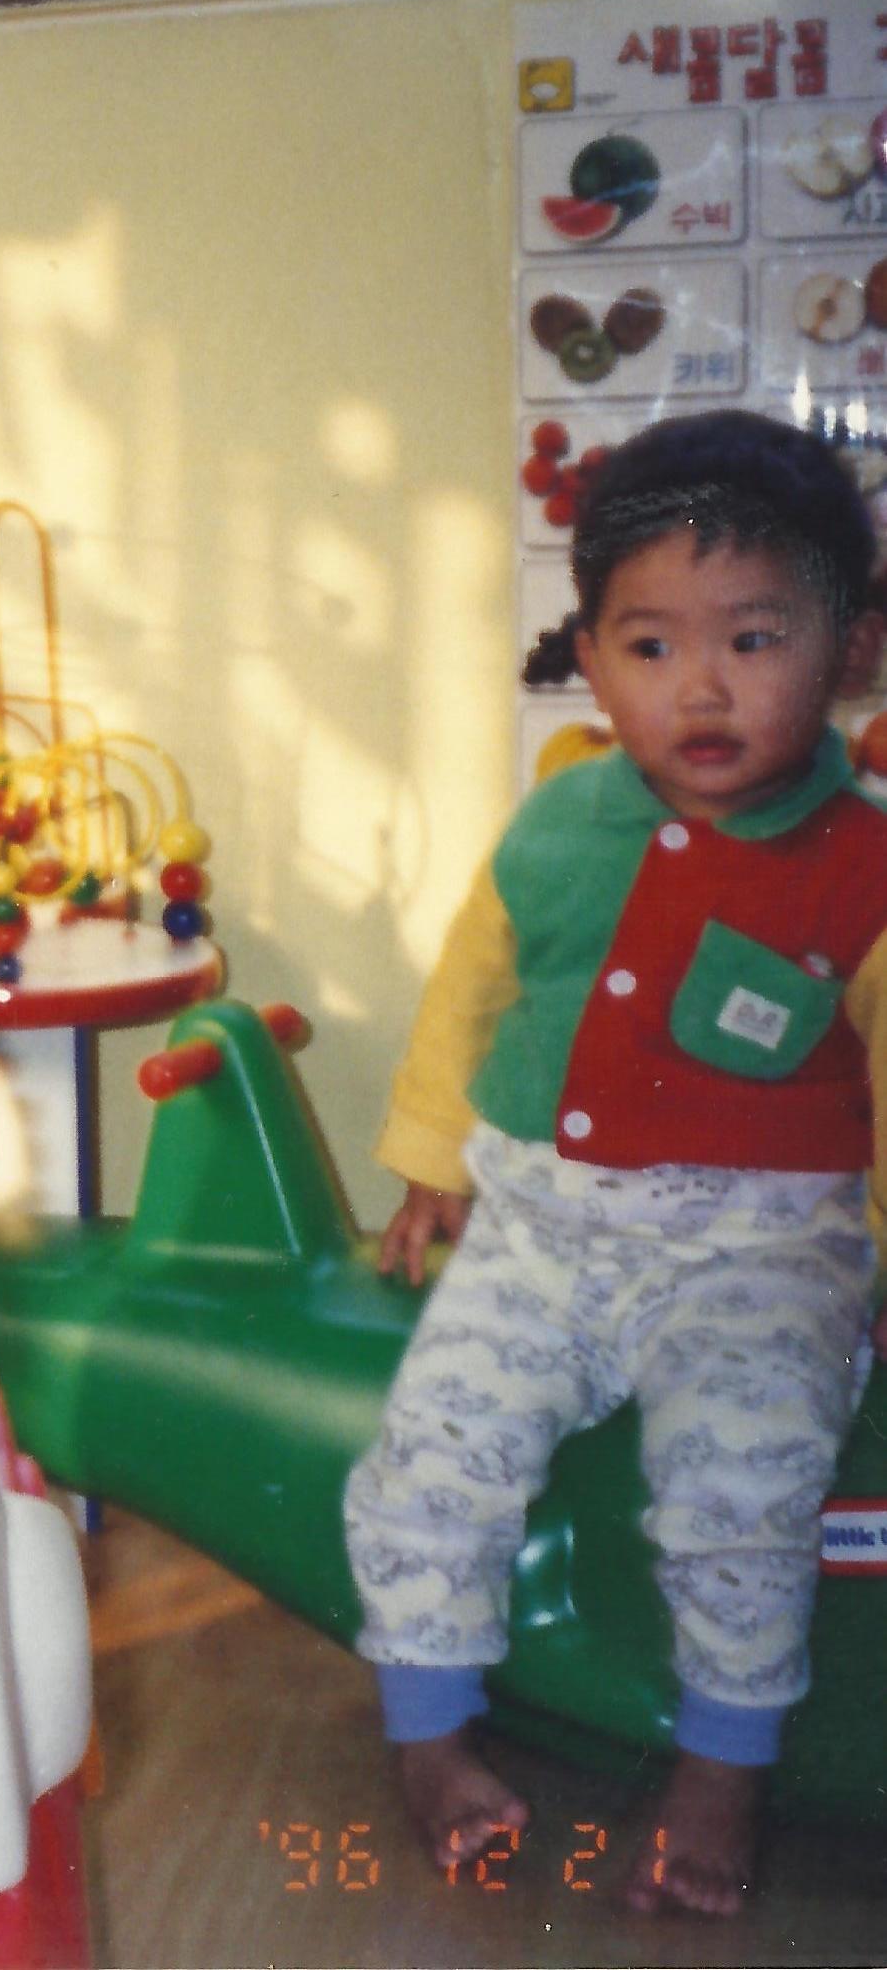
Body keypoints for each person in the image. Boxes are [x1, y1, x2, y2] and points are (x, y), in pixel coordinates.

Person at [348, 409, 887, 1917]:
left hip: (764, 1252)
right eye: (650, 646)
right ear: (589, 659)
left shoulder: (866, 864)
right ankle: (426, 1729)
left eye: (755, 639)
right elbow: (475, 989)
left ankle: (724, 1762)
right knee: (426, 1458)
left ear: (851, 650)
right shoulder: (557, 823)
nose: (701, 688)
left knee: (744, 1484)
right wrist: (435, 1159)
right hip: (539, 1231)